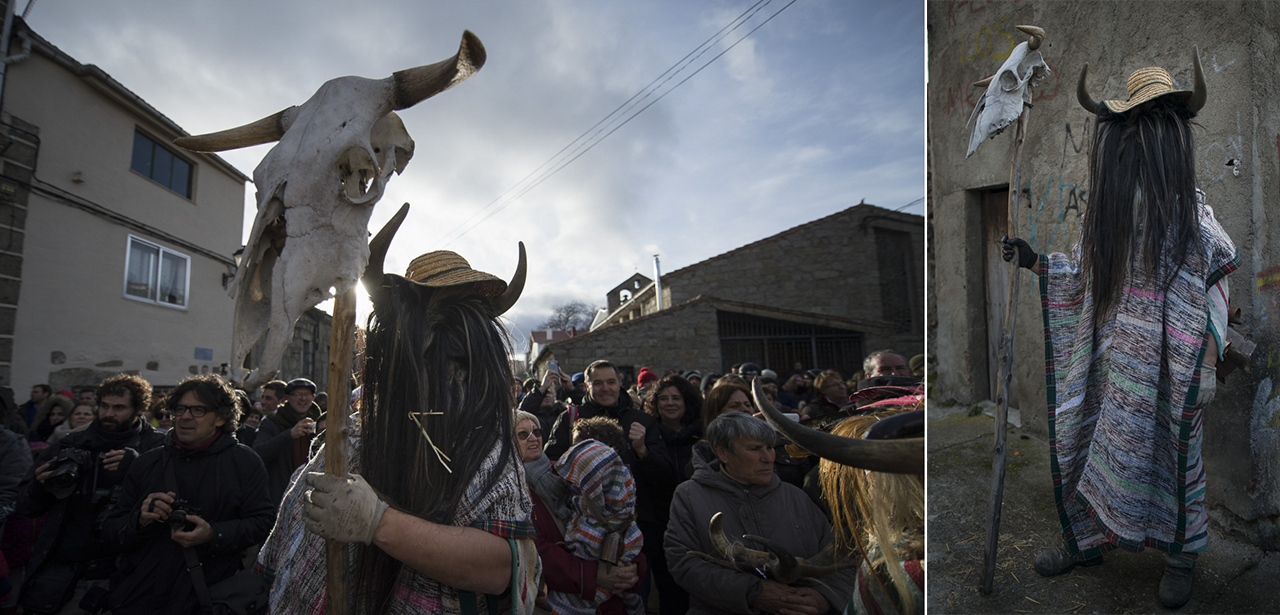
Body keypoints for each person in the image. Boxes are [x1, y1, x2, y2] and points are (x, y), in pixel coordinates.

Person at [1002, 50, 1236, 609]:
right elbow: (1083, 273)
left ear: (1170, 135)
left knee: (1177, 458)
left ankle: (1182, 556)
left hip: (1171, 370)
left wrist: (1206, 362)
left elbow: (1216, 286)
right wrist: (1039, 263)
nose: (1139, 139)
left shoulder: (1194, 219)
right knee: (1088, 445)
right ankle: (1085, 542)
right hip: (1110, 365)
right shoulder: (1105, 219)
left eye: (1151, 126)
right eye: (1130, 126)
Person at [260, 243, 539, 613]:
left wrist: (378, 522)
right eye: (429, 312)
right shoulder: (354, 435)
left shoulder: (485, 442)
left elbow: (498, 567)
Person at [100, 374, 274, 613]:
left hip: (207, 595)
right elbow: (110, 530)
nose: (185, 417)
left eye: (198, 410)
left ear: (221, 417)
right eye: (180, 409)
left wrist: (214, 534)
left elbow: (262, 523)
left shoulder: (243, 462)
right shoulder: (148, 462)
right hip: (141, 594)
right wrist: (139, 519)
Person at [665, 412, 853, 614]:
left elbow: (842, 560)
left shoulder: (796, 498)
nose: (768, 458)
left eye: (770, 447)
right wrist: (751, 592)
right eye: (755, 449)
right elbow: (684, 562)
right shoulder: (690, 496)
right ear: (723, 453)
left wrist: (824, 597)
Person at [14, 374, 165, 615]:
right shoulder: (71, 444)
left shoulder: (158, 448)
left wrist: (137, 469)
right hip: (68, 566)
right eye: (104, 406)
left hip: (129, 568)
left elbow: (174, 499)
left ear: (139, 409)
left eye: (119, 408)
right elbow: (24, 506)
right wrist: (41, 486)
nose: (109, 414)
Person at [640, 374, 701, 615]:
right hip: (661, 525)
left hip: (699, 523)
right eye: (663, 398)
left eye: (676, 397)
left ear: (686, 401)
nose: (670, 403)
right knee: (669, 592)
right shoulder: (649, 438)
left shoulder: (703, 435)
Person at [252, 377, 319, 504]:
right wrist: (289, 435)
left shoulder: (321, 422)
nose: (303, 399)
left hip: (311, 497)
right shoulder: (272, 422)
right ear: (287, 398)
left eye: (306, 395)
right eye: (297, 395)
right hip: (279, 495)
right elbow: (258, 454)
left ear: (313, 397)